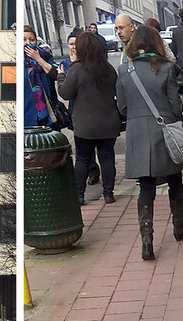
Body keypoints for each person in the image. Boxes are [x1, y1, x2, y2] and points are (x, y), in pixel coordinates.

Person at [116, 25, 183, 261]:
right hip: (163, 131)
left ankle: (147, 241)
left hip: (138, 133)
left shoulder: (124, 70)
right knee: (175, 180)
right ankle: (178, 228)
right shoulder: (167, 68)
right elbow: (175, 106)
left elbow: (122, 106)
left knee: (145, 188)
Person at [58, 31, 120, 206]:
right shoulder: (108, 69)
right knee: (107, 158)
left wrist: (61, 76)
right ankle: (108, 193)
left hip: (85, 126)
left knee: (83, 159)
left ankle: (79, 195)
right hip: (109, 123)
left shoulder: (77, 69)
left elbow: (65, 92)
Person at [23, 25, 58, 128]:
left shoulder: (45, 56)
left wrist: (38, 59)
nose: (28, 43)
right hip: (26, 115)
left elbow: (55, 74)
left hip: (47, 113)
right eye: (24, 40)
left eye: (31, 39)